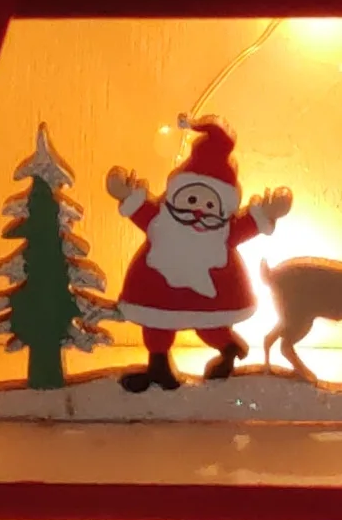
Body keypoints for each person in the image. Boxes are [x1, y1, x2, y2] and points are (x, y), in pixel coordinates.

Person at [103, 119, 291, 392]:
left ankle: (229, 350)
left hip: (210, 296)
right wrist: (124, 193)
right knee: (157, 328)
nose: (199, 211)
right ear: (177, 194)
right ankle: (158, 368)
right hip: (159, 293)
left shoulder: (222, 232)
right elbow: (139, 210)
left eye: (209, 204)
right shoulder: (161, 222)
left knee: (209, 328)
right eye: (192, 200)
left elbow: (247, 225)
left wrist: (268, 213)